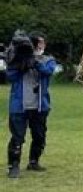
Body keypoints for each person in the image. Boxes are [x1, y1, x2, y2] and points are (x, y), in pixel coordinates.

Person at [6, 32, 56, 179]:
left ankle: (34, 161)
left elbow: (48, 71)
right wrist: (21, 65)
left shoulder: (48, 59)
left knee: (39, 136)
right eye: (40, 43)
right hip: (19, 106)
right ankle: (13, 166)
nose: (43, 46)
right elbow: (10, 77)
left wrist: (34, 62)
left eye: (43, 43)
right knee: (17, 137)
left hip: (40, 106)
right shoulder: (17, 59)